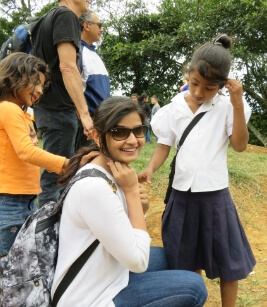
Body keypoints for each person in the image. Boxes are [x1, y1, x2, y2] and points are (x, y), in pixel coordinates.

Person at [51, 96, 207, 306]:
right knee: (194, 286)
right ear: (97, 136)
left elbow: (119, 228)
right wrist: (132, 193)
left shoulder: (110, 171)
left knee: (172, 256)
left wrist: (139, 208)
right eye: (120, 132)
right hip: (90, 298)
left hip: (108, 274)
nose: (133, 140)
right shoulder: (94, 188)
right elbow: (138, 261)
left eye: (138, 130)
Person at [138, 34, 256, 307]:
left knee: (228, 261)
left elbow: (239, 145)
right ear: (187, 74)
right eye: (195, 83)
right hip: (181, 196)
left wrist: (237, 104)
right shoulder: (174, 108)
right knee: (187, 259)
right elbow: (164, 146)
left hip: (215, 196)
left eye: (210, 88)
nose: (200, 92)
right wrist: (150, 168)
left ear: (223, 86)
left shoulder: (228, 107)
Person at [0, 53, 67, 257]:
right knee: (9, 264)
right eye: (35, 83)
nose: (39, 90)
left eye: (42, 86)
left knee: (18, 262)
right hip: (10, 202)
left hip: (25, 199)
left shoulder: (22, 114)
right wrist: (66, 164)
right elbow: (26, 151)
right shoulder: (8, 108)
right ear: (13, 77)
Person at [33, 0, 93, 207]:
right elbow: (67, 66)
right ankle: (48, 235)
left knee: (59, 174)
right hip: (57, 110)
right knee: (55, 180)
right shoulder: (66, 16)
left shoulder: (46, 18)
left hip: (48, 108)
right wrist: (85, 113)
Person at [75, 10, 110, 151]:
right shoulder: (77, 51)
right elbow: (74, 88)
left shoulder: (94, 54)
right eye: (99, 25)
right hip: (87, 125)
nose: (102, 29)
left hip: (101, 121)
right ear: (86, 25)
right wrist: (85, 119)